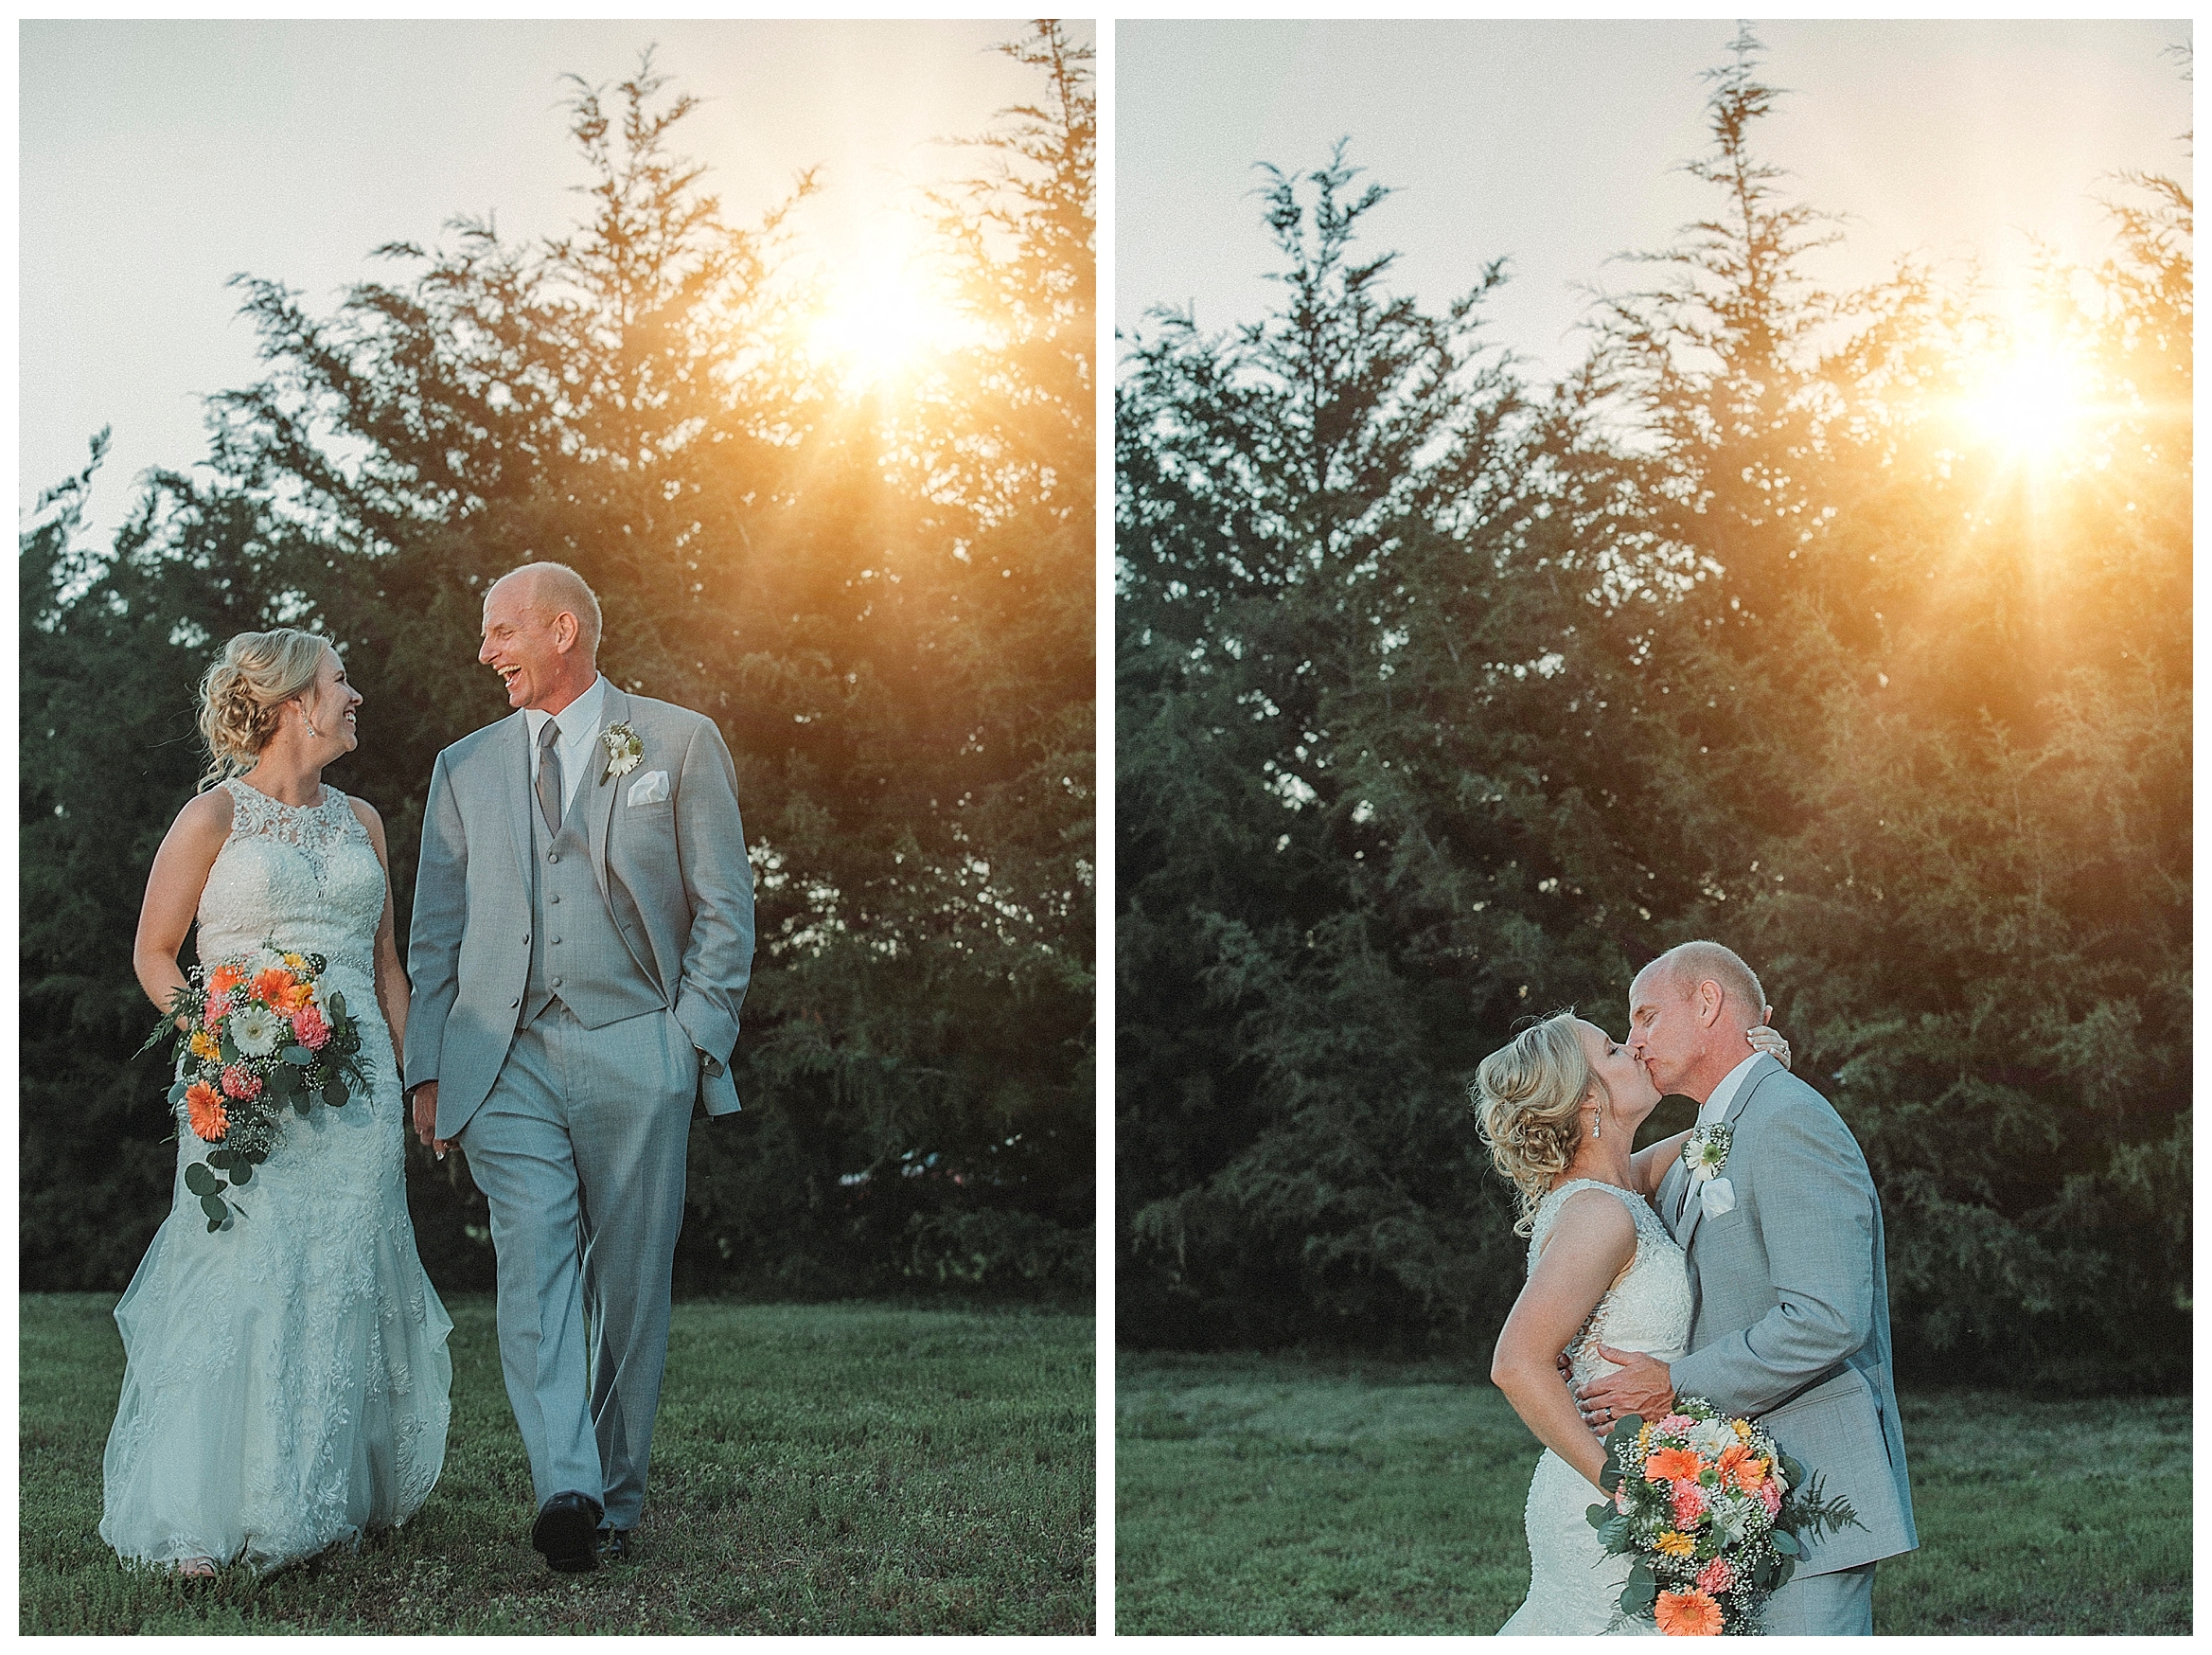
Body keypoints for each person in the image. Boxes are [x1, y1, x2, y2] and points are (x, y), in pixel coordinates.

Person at [403, 561, 754, 1574]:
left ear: (563, 630)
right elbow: (436, 932)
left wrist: (688, 1037)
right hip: (502, 1057)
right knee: (535, 1262)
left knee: (632, 1282)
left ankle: (616, 1492)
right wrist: (430, 1065)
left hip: (639, 1045)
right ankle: (567, 1482)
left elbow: (725, 907)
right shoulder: (462, 767)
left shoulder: (678, 741)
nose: (486, 651)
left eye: (502, 630)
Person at [102, 628, 452, 1575]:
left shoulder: (364, 823)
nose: (356, 696)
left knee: (341, 1273)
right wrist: (214, 1040)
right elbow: (153, 951)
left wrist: (417, 1080)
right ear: (297, 700)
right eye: (343, 680)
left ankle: (312, 1499)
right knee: (243, 1273)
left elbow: (386, 966)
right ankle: (204, 1517)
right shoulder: (213, 817)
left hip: (359, 1088)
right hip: (240, 1080)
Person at [1576, 940, 1918, 1635]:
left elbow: (1826, 1318)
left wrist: (1674, 1383)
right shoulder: (1722, 1126)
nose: (1635, 1043)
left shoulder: (1788, 1119)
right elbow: (1612, 1204)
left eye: (1645, 1017)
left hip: (1811, 1489)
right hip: (1726, 1490)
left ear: (1706, 1004)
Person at [1476, 1006, 1786, 1633]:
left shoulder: (1620, 1189)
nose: (1636, 1049)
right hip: (1608, 1502)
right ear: (1589, 1097)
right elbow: (1515, 1364)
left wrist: (1761, 1070)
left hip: (1648, 1483)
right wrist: (1623, 1490)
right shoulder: (1600, 1214)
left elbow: (1715, 1137)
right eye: (1615, 1050)